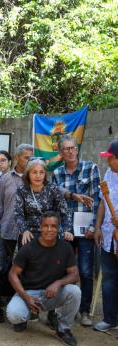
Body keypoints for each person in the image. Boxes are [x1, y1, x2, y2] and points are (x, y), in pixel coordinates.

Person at [7, 211, 81, 346]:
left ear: (58, 228)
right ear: (40, 227)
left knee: (75, 291)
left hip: (51, 293)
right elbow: (12, 274)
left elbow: (74, 274)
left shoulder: (65, 247)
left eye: (53, 226)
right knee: (14, 315)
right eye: (46, 226)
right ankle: (26, 316)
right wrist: (25, 296)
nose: (49, 229)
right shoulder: (28, 248)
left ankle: (63, 328)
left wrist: (59, 283)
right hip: (29, 293)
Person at [51, 135, 101, 326]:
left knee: (86, 271)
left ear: (77, 149)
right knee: (62, 269)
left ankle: (85, 311)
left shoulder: (91, 168)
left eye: (72, 148)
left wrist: (92, 227)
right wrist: (62, 229)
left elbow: (97, 199)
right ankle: (61, 309)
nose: (70, 152)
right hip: (66, 230)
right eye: (66, 149)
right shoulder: (57, 173)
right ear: (60, 153)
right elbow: (56, 203)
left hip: (86, 230)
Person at [15, 158, 73, 247]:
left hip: (51, 231)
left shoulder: (52, 189)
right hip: (30, 232)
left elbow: (65, 211)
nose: (38, 176)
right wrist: (24, 230)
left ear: (45, 174)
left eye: (41, 172)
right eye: (34, 172)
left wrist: (67, 230)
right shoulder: (22, 190)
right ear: (28, 174)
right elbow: (18, 214)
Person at [0, 144, 34, 258]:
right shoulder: (6, 178)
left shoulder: (35, 177)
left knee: (25, 264)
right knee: (5, 264)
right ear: (16, 158)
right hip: (7, 228)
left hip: (28, 230)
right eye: (26, 158)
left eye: (31, 158)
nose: (29, 161)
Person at [93, 139, 118, 332]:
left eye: (111, 158)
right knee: (109, 278)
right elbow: (102, 202)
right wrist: (98, 226)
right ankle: (110, 318)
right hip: (109, 237)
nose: (108, 162)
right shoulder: (109, 174)